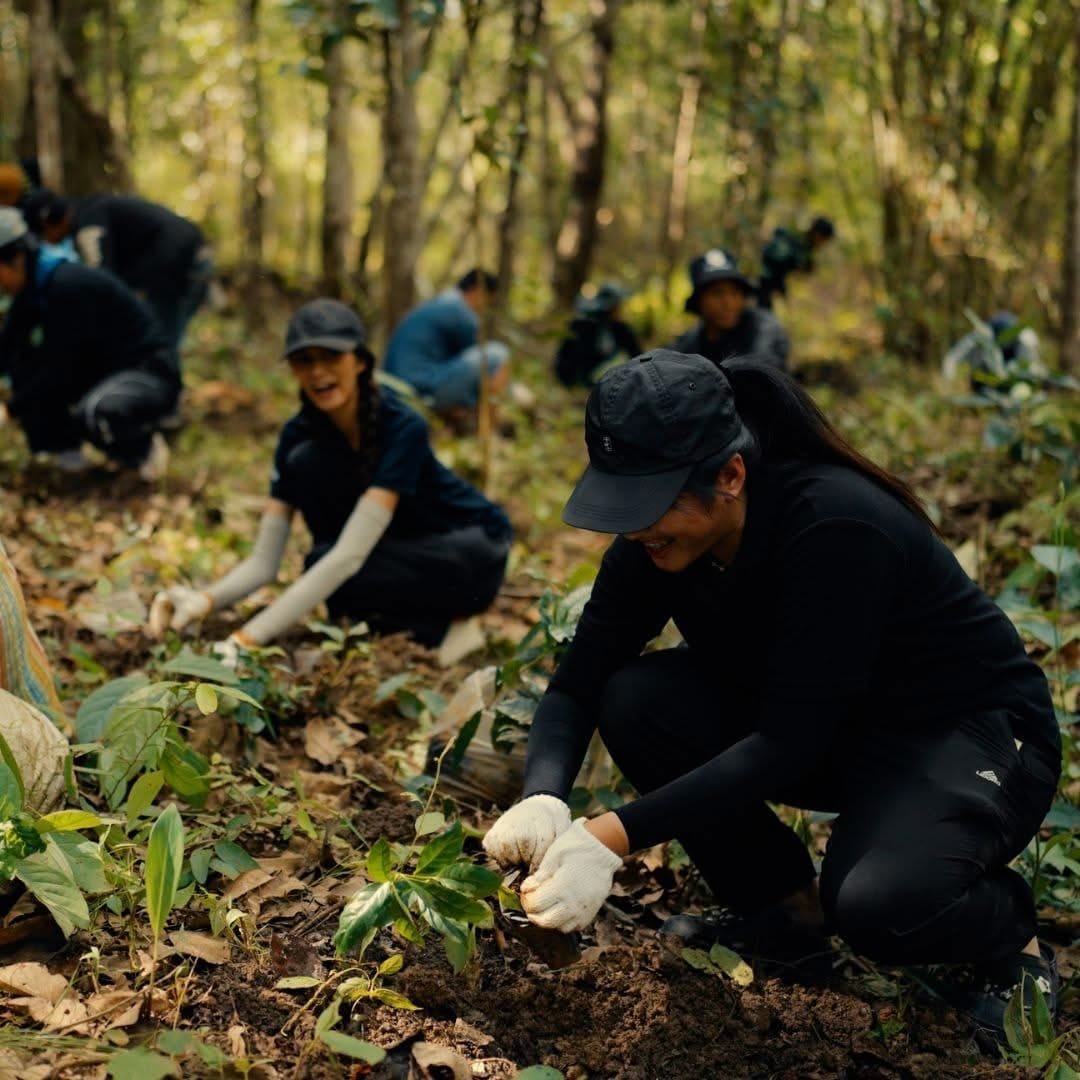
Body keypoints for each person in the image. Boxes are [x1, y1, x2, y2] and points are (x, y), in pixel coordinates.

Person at [481, 349, 1061, 1045]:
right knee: (635, 697)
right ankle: (786, 909)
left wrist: (608, 838)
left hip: (971, 734)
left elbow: (790, 742)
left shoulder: (834, 525)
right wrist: (545, 797)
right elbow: (578, 683)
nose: (635, 530)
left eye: (652, 505)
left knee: (880, 906)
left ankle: (1013, 944)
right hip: (839, 727)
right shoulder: (653, 546)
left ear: (729, 477)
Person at [149, 298, 513, 666]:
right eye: (305, 360)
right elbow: (264, 562)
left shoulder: (402, 426)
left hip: (473, 548)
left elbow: (349, 556)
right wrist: (201, 601)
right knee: (330, 576)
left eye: (331, 356)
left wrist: (243, 642)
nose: (318, 372)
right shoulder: (297, 440)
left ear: (359, 361)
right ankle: (435, 628)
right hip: (405, 549)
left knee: (333, 569)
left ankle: (451, 628)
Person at [0, 208, 175, 479]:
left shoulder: (67, 285)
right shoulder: (33, 289)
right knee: (25, 368)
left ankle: (144, 452)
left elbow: (60, 366)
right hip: (101, 370)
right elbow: (7, 347)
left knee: (97, 413)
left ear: (16, 259)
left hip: (147, 371)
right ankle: (67, 459)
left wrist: (10, 410)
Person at [20, 189, 212, 378]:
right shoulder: (90, 212)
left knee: (157, 345)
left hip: (179, 267)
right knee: (158, 342)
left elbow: (100, 283)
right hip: (187, 261)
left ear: (48, 224)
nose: (48, 243)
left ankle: (157, 398)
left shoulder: (89, 226)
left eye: (44, 236)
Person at [383, 270, 510, 412]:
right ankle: (491, 425)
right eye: (487, 301)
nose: (484, 307)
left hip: (394, 387)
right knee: (498, 353)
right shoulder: (460, 311)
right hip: (418, 389)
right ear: (477, 291)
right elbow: (480, 366)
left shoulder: (441, 303)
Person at [672, 250, 789, 371]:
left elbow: (760, 373)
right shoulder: (688, 344)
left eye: (735, 292)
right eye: (717, 293)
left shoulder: (763, 330)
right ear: (698, 301)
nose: (728, 303)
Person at [554, 282, 642, 389]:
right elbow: (566, 361)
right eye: (617, 307)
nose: (620, 310)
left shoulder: (621, 329)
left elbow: (637, 355)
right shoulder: (581, 328)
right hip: (584, 383)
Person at [943, 311, 1046, 390]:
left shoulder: (1025, 338)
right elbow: (952, 357)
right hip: (987, 382)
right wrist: (949, 381)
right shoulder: (983, 335)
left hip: (1016, 382)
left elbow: (1032, 367)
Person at [757, 215, 835, 310]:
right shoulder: (794, 243)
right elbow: (773, 261)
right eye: (824, 240)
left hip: (770, 286)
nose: (823, 244)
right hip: (763, 283)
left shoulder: (805, 250)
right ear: (817, 234)